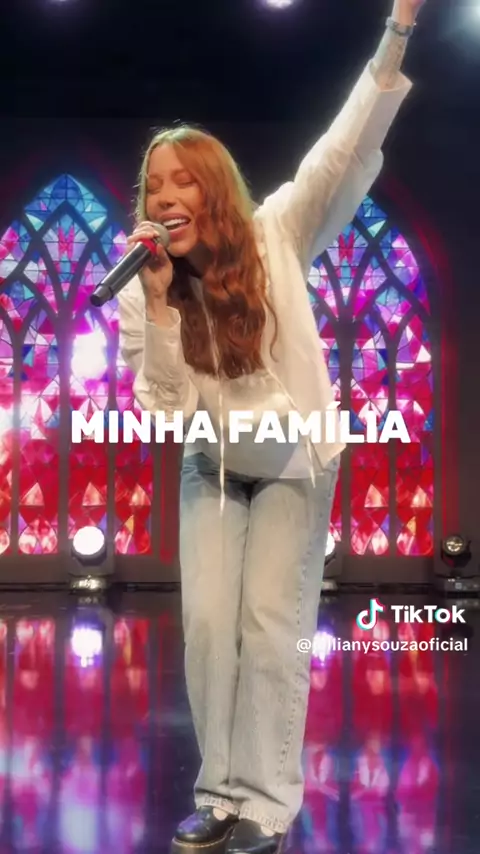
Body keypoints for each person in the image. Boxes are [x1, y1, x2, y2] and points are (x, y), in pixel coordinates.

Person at [118, 2, 424, 851]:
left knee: (267, 631)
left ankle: (266, 803)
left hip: (294, 461)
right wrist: (156, 305)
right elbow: (166, 408)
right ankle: (218, 793)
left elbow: (343, 147)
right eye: (154, 186)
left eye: (182, 181)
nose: (165, 196)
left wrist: (397, 30)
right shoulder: (150, 289)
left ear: (213, 188)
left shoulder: (276, 232)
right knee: (211, 631)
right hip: (213, 464)